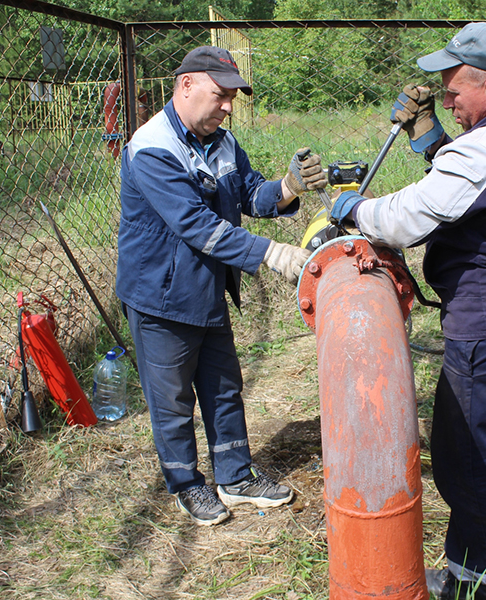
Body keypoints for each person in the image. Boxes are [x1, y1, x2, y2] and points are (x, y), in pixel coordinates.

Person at [330, 23, 486, 600]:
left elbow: (409, 217)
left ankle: (475, 581)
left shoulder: (485, 151)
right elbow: (478, 188)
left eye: (454, 91)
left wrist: (354, 207)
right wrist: (431, 136)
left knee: (468, 457)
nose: (445, 99)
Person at [117, 46, 326, 526]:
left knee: (223, 387)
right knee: (171, 400)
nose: (228, 106)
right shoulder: (151, 148)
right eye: (220, 95)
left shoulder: (223, 142)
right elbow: (197, 226)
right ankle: (187, 484)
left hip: (206, 290)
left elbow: (249, 192)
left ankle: (234, 477)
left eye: (232, 96)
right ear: (186, 85)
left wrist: (288, 187)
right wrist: (272, 254)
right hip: (160, 296)